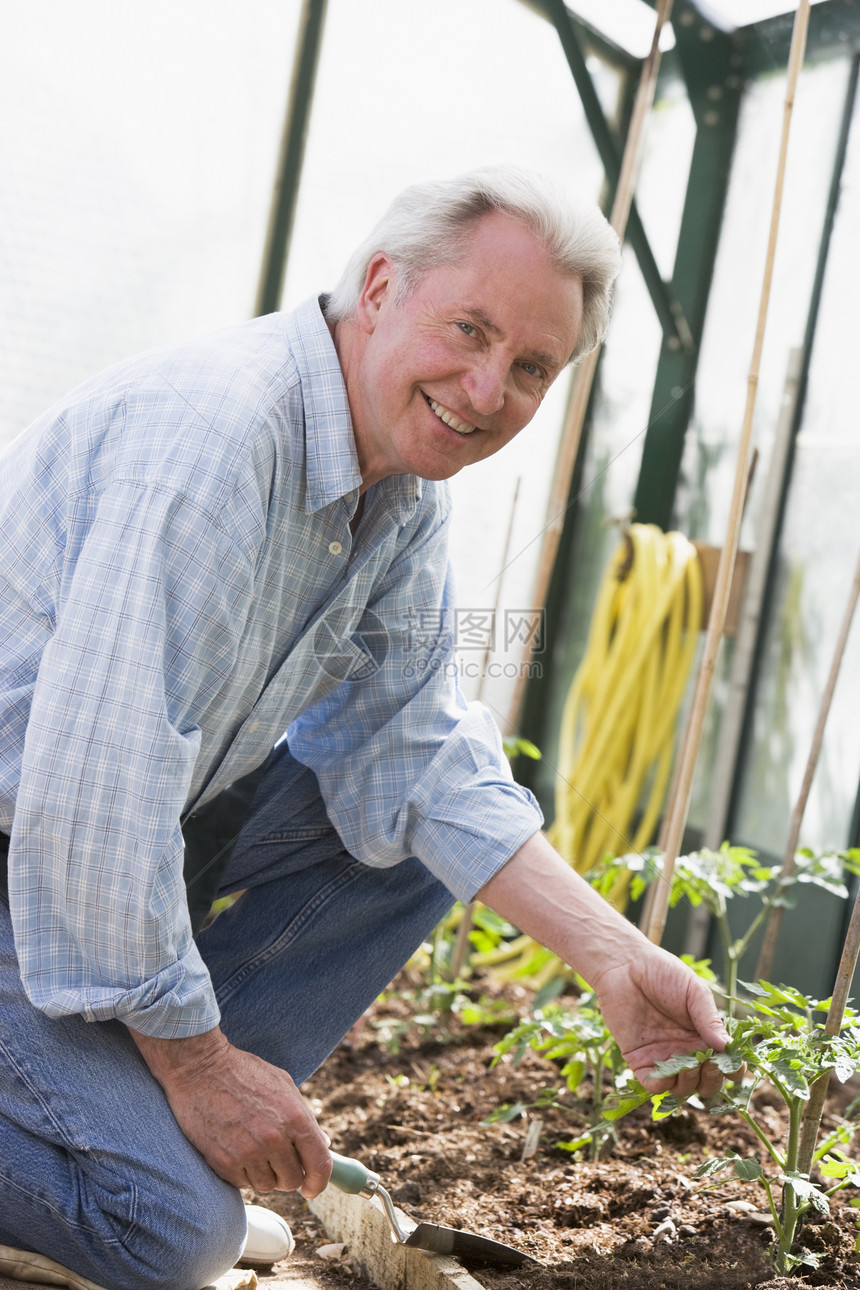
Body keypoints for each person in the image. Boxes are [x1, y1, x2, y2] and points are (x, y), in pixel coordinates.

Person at [0, 166, 729, 1290]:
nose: (487, 390)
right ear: (381, 284)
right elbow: (92, 799)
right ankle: (150, 1143)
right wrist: (199, 1070)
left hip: (64, 851)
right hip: (30, 852)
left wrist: (614, 956)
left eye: (530, 367)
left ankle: (128, 1121)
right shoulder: (216, 446)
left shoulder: (397, 491)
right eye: (469, 330)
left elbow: (420, 752)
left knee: (416, 833)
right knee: (168, 1235)